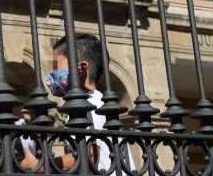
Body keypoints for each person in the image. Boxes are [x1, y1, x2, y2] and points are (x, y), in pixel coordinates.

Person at [19, 33, 134, 172]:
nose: (52, 74)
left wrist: (41, 165)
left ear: (82, 69)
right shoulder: (96, 102)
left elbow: (89, 155)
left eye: (57, 67)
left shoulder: (92, 105)